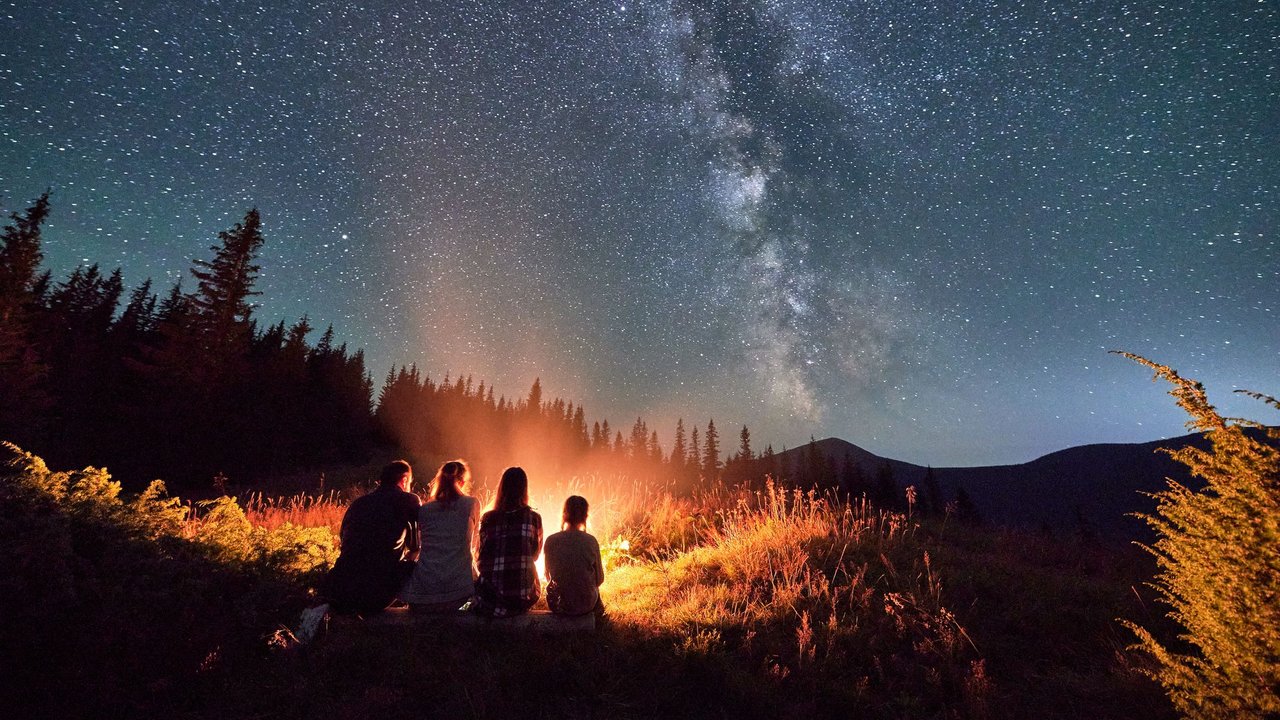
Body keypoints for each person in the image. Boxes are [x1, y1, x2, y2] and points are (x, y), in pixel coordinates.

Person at [320, 460, 421, 616]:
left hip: (341, 587)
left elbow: (344, 541)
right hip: (376, 591)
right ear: (404, 479)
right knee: (417, 562)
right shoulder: (408, 500)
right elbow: (416, 545)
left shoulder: (358, 504)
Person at [399, 460, 479, 613]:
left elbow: (420, 545)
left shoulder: (425, 510)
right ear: (462, 482)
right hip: (458, 591)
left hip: (421, 592)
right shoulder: (471, 504)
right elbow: (474, 544)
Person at [473, 466, 542, 618]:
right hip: (522, 598)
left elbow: (480, 556)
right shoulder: (534, 518)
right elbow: (535, 555)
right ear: (524, 489)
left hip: (490, 598)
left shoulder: (488, 518)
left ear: (501, 488)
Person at [543, 495, 605, 617]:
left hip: (558, 604)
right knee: (595, 594)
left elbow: (547, 576)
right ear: (585, 516)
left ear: (564, 514)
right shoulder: (591, 541)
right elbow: (599, 579)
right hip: (586, 604)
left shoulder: (551, 540)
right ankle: (598, 616)